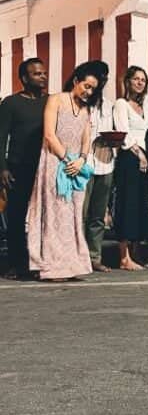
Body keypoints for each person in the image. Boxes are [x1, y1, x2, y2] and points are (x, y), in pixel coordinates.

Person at [27, 61, 107, 281]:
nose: (88, 91)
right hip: (54, 160)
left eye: (93, 89)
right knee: (55, 213)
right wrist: (66, 159)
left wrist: (81, 160)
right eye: (86, 86)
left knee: (73, 215)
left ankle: (71, 265)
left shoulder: (86, 109)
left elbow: (86, 138)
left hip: (75, 166)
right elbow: (49, 134)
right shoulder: (56, 100)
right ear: (76, 81)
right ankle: (52, 266)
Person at [0, 58, 49, 279]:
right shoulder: (11, 103)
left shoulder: (51, 102)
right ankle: (16, 263)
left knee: (44, 217)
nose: (43, 77)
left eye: (44, 73)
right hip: (18, 168)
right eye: (37, 74)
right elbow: (1, 138)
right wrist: (2, 168)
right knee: (17, 216)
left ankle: (40, 262)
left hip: (45, 169)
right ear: (24, 78)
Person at [112, 66, 148, 270]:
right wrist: (139, 155)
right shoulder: (121, 104)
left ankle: (136, 253)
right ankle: (123, 256)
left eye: (143, 80)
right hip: (130, 157)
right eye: (136, 79)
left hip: (144, 158)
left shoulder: (142, 106)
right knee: (127, 204)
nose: (139, 82)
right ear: (127, 81)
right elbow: (123, 133)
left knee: (139, 205)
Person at [83, 65, 115, 272]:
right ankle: (77, 255)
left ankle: (95, 256)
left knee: (97, 215)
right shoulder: (81, 102)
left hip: (105, 162)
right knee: (81, 213)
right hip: (83, 163)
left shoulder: (108, 104)